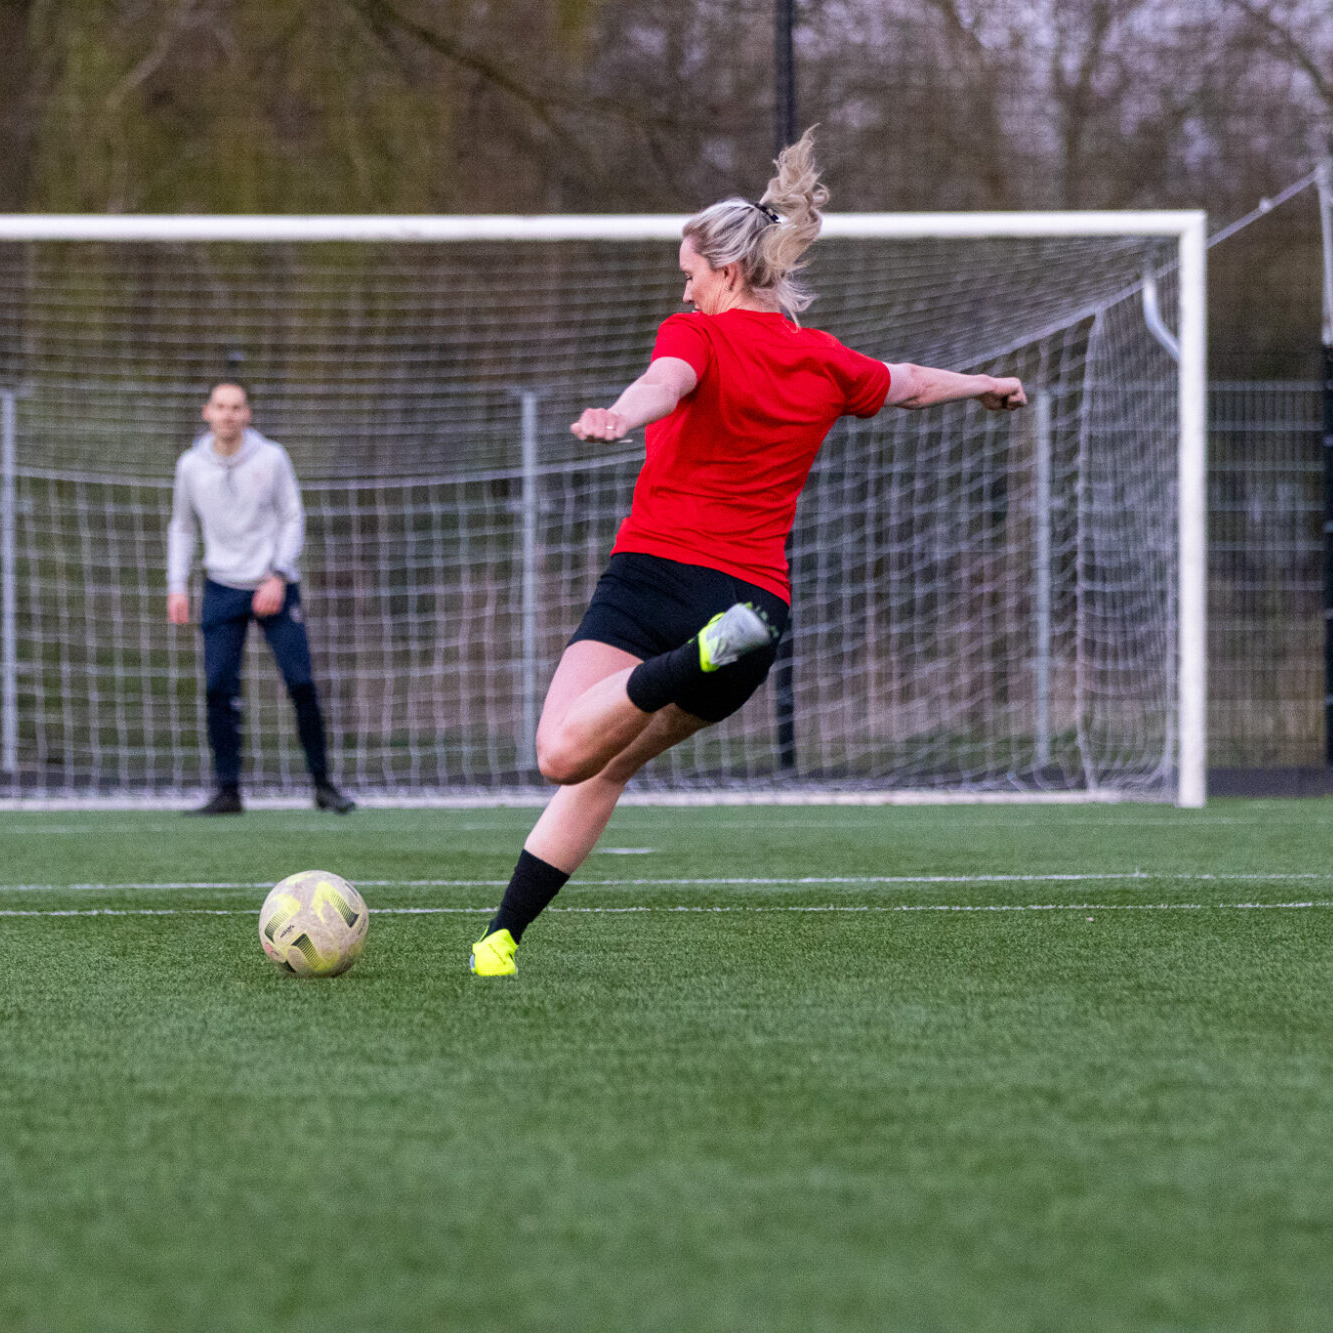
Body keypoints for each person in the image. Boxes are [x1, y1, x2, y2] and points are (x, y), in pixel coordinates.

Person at [470, 129, 1025, 976]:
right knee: (607, 766)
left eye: (689, 273)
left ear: (726, 273)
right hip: (752, 611)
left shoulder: (699, 335)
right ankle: (500, 939)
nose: (683, 288)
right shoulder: (824, 357)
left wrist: (626, 412)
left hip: (653, 582)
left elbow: (667, 380)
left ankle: (678, 663)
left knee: (561, 754)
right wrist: (984, 383)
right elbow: (907, 380)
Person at [167, 381, 355, 816]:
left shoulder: (271, 458)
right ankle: (227, 791)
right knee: (217, 688)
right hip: (220, 586)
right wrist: (176, 584)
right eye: (220, 406)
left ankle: (324, 786)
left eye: (236, 407)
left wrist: (278, 574)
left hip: (274, 584)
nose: (228, 414)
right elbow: (182, 526)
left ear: (248, 414)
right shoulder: (191, 466)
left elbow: (292, 516)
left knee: (301, 683)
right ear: (206, 412)